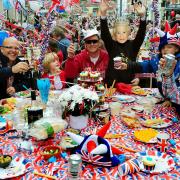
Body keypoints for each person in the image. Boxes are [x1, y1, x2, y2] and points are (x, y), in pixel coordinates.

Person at [99, 0, 146, 86]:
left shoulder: (133, 45)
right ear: (114, 34)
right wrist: (103, 14)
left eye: (124, 32)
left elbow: (141, 35)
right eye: (118, 33)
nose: (121, 36)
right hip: (112, 85)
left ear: (128, 33)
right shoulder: (112, 45)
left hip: (129, 84)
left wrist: (142, 17)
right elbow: (105, 34)